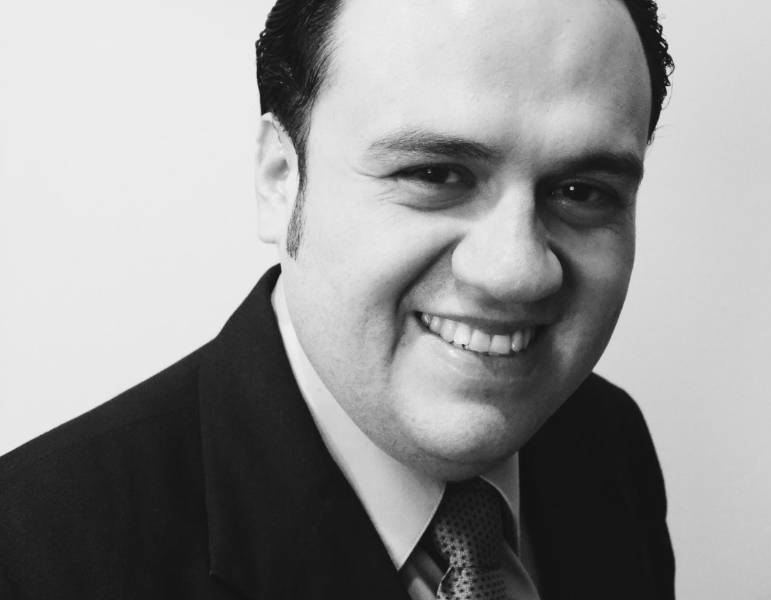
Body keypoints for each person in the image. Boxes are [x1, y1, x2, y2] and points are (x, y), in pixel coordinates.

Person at [0, 0, 675, 598]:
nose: (517, 272)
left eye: (582, 192)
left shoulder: (607, 443)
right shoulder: (31, 558)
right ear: (279, 178)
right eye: (435, 174)